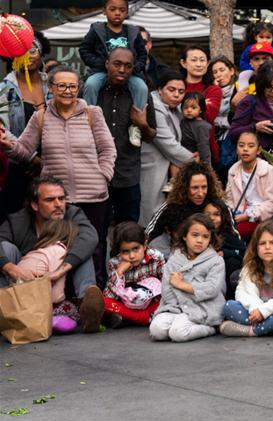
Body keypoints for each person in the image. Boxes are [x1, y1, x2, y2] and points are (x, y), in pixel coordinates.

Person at [0, 66, 116, 286]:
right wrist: (9, 146)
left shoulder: (92, 113)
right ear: (50, 88)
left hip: (93, 194)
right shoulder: (41, 117)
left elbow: (108, 149)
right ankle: (60, 300)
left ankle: (96, 299)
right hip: (57, 197)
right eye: (61, 85)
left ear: (79, 88)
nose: (67, 90)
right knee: (58, 247)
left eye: (72, 86)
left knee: (95, 247)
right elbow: (25, 150)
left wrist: (103, 176)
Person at [0, 177, 104, 333]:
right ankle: (3, 310)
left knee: (83, 248)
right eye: (50, 200)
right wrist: (12, 269)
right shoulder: (17, 221)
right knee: (5, 248)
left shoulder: (72, 213)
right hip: (24, 285)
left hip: (61, 285)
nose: (58, 204)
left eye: (61, 198)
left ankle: (88, 303)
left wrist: (61, 270)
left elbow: (90, 236)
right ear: (34, 204)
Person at [96, 48, 157, 225]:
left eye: (128, 66)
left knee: (128, 230)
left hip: (127, 174)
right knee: (97, 231)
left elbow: (151, 135)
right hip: (97, 173)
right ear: (107, 64)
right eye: (117, 64)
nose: (122, 70)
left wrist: (142, 123)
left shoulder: (140, 95)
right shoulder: (93, 92)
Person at [79, 0, 148, 148]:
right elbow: (84, 50)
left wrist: (135, 68)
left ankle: (135, 127)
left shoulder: (133, 31)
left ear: (127, 12)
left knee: (141, 87)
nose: (117, 13)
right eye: (113, 9)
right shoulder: (97, 29)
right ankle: (87, 122)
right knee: (90, 84)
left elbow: (143, 54)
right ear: (105, 11)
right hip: (102, 71)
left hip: (128, 73)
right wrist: (100, 64)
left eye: (122, 10)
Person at [220, 221, 273, 338]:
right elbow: (242, 294)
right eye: (262, 243)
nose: (267, 247)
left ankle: (253, 331)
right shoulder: (249, 269)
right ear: (255, 247)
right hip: (258, 313)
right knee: (229, 306)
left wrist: (263, 312)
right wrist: (256, 309)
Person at [149, 213, 225, 342]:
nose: (200, 240)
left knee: (178, 333)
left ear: (210, 239)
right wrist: (182, 306)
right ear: (185, 236)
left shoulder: (216, 261)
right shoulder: (174, 260)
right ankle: (180, 323)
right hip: (175, 307)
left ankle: (211, 328)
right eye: (195, 235)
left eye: (205, 236)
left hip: (202, 308)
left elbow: (211, 289)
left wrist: (181, 285)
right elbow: (167, 290)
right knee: (156, 330)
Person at [0, 33, 51, 222]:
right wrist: (30, 159)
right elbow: (3, 130)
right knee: (16, 220)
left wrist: (44, 160)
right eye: (20, 52)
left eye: (33, 50)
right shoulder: (4, 89)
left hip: (52, 164)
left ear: (42, 53)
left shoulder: (53, 85)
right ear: (12, 58)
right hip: (16, 167)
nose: (27, 56)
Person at [139, 70, 195, 225]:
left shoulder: (177, 108)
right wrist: (194, 160)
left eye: (181, 91)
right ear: (159, 89)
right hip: (154, 164)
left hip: (172, 165)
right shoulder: (154, 106)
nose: (177, 95)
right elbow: (167, 143)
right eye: (171, 90)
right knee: (151, 213)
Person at [146, 161, 229, 257]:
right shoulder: (171, 206)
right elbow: (150, 234)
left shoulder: (217, 204)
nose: (200, 193)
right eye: (195, 188)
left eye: (204, 187)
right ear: (185, 187)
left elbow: (233, 234)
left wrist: (223, 252)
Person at [14, 218, 81, 334]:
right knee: (72, 310)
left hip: (18, 304)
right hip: (36, 306)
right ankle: (49, 322)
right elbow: (56, 296)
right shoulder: (59, 251)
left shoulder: (36, 250)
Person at [228, 62, 273, 154]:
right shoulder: (250, 102)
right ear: (262, 86)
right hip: (256, 160)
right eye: (269, 87)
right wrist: (255, 128)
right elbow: (233, 133)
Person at [103, 221, 165, 328]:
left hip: (151, 304)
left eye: (136, 249)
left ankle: (129, 318)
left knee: (164, 302)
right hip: (126, 305)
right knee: (103, 302)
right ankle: (144, 318)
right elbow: (109, 295)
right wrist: (119, 273)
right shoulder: (115, 263)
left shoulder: (156, 258)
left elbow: (166, 284)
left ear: (145, 245)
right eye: (125, 251)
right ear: (119, 251)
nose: (132, 256)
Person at [226, 129, 273, 239]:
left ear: (259, 150)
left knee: (234, 234)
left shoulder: (268, 170)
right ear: (236, 149)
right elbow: (229, 199)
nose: (245, 149)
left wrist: (248, 215)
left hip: (262, 218)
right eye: (241, 145)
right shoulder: (233, 171)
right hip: (238, 216)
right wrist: (231, 215)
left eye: (251, 146)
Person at [200, 199, 243, 298]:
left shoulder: (229, 235)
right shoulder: (199, 235)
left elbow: (242, 252)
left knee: (232, 262)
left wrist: (224, 253)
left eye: (216, 214)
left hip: (226, 277)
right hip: (204, 278)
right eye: (207, 215)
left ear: (223, 217)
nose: (211, 218)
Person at [210, 55, 239, 183]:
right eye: (214, 72)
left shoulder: (239, 90)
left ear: (231, 71)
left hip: (232, 137)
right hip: (215, 138)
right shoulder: (210, 92)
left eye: (222, 70)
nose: (218, 75)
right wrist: (214, 91)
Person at [179, 91, 212, 166]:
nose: (189, 110)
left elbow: (203, 146)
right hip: (181, 156)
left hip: (195, 159)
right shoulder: (183, 121)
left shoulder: (201, 126)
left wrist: (206, 166)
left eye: (193, 107)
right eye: (186, 107)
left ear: (200, 110)